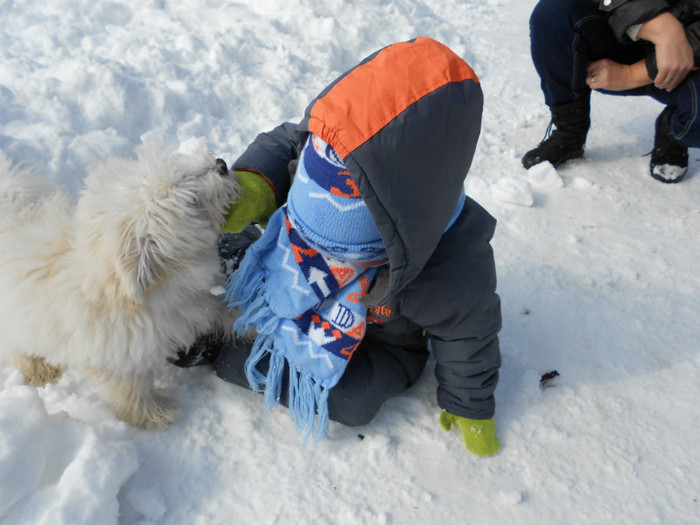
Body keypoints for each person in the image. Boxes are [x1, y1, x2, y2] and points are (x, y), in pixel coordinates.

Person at [175, 37, 502, 457]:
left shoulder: (452, 266)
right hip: (294, 272)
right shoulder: (329, 147)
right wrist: (257, 186)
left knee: (357, 398)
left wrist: (471, 405)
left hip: (383, 337)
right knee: (244, 267)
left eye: (340, 251)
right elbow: (286, 144)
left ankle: (222, 349)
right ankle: (234, 270)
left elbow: (470, 335)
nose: (325, 256)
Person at [522, 0, 700, 183]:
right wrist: (662, 27)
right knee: (556, 11)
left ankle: (674, 128)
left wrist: (631, 74)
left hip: (691, 67)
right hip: (632, 25)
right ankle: (570, 130)